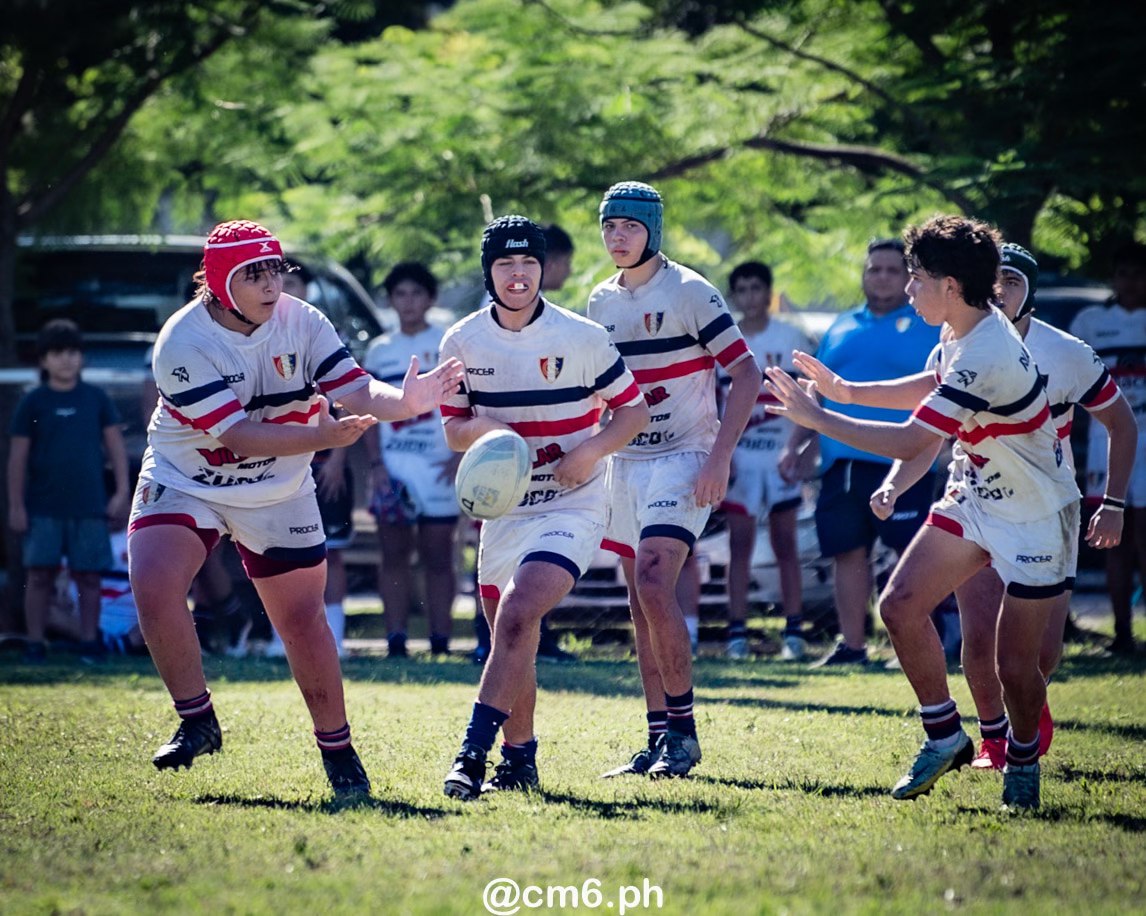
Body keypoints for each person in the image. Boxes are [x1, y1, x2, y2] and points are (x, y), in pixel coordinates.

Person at [127, 219, 463, 799]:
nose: (269, 285)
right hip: (188, 476)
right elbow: (237, 437)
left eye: (274, 271)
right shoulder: (182, 341)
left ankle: (338, 750)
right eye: (251, 274)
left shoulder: (303, 320)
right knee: (152, 583)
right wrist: (326, 440)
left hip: (279, 489)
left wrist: (405, 402)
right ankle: (196, 719)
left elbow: (356, 390)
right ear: (215, 282)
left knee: (302, 623)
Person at [767, 215, 1082, 810]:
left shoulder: (987, 349)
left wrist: (820, 420)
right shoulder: (960, 331)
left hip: (1038, 513)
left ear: (951, 285)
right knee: (900, 605)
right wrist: (848, 391)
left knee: (1017, 669)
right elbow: (927, 388)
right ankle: (943, 734)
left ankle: (1019, 757)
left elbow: (914, 439)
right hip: (977, 497)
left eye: (916, 279)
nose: (908, 290)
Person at [872, 242, 1136, 769]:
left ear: (1029, 292)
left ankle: (1021, 723)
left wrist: (1114, 503)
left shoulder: (1065, 351)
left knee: (1035, 658)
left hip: (1042, 510)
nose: (1000, 291)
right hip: (976, 498)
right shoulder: (953, 345)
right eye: (996, 279)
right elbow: (925, 434)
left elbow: (1120, 423)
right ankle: (993, 741)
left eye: (1012, 281)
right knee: (976, 639)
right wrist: (896, 483)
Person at [439, 215, 648, 800]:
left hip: (572, 503)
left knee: (519, 610)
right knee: (514, 633)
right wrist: (495, 431)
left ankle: (470, 755)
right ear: (489, 271)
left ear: (542, 269)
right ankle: (520, 757)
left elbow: (632, 411)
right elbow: (454, 430)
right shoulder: (461, 341)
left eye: (528, 262)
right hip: (504, 510)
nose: (518, 274)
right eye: (505, 263)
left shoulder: (581, 337)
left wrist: (592, 451)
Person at [588, 181, 759, 779]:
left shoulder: (690, 290)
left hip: (686, 455)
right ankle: (658, 737)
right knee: (640, 599)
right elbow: (602, 393)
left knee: (656, 581)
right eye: (609, 226)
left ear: (653, 231)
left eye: (630, 226)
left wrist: (719, 457)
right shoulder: (599, 302)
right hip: (626, 464)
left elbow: (746, 372)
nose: (618, 236)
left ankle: (683, 736)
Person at [783, 239, 940, 667]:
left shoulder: (930, 324)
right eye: (874, 269)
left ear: (909, 278)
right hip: (840, 463)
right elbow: (814, 394)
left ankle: (933, 642)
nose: (882, 277)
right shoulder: (841, 325)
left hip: (906, 459)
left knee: (916, 554)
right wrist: (795, 446)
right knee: (847, 552)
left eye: (892, 270)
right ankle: (853, 646)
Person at [7, 319, 130, 661]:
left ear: (82, 357)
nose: (66, 360)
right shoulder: (33, 402)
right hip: (43, 507)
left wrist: (120, 492)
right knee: (40, 575)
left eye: (73, 352)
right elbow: (18, 458)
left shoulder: (96, 398)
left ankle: (90, 642)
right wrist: (16, 506)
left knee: (89, 576)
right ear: (43, 360)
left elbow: (115, 448)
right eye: (58, 353)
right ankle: (34, 642)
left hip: (90, 505)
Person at [363, 262, 459, 658]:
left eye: (416, 293)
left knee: (439, 557)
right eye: (399, 294)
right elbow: (365, 409)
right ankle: (396, 641)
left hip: (440, 469)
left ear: (431, 299)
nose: (408, 302)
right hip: (395, 471)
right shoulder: (380, 350)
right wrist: (376, 465)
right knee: (394, 556)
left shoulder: (449, 343)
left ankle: (441, 643)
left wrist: (462, 455)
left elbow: (468, 399)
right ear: (390, 300)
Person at [721, 261, 812, 660]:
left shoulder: (790, 337)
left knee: (785, 544)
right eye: (742, 290)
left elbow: (810, 398)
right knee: (738, 546)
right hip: (740, 456)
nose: (750, 297)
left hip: (780, 453)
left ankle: (794, 634)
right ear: (734, 296)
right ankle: (736, 634)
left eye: (757, 288)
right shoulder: (724, 339)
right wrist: (723, 454)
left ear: (769, 291)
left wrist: (796, 447)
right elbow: (713, 401)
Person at [1070, 241, 1146, 655]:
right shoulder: (1092, 321)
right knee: (1111, 536)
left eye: (1139, 273)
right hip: (1105, 440)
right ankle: (1122, 634)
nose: (1131, 282)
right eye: (1124, 273)